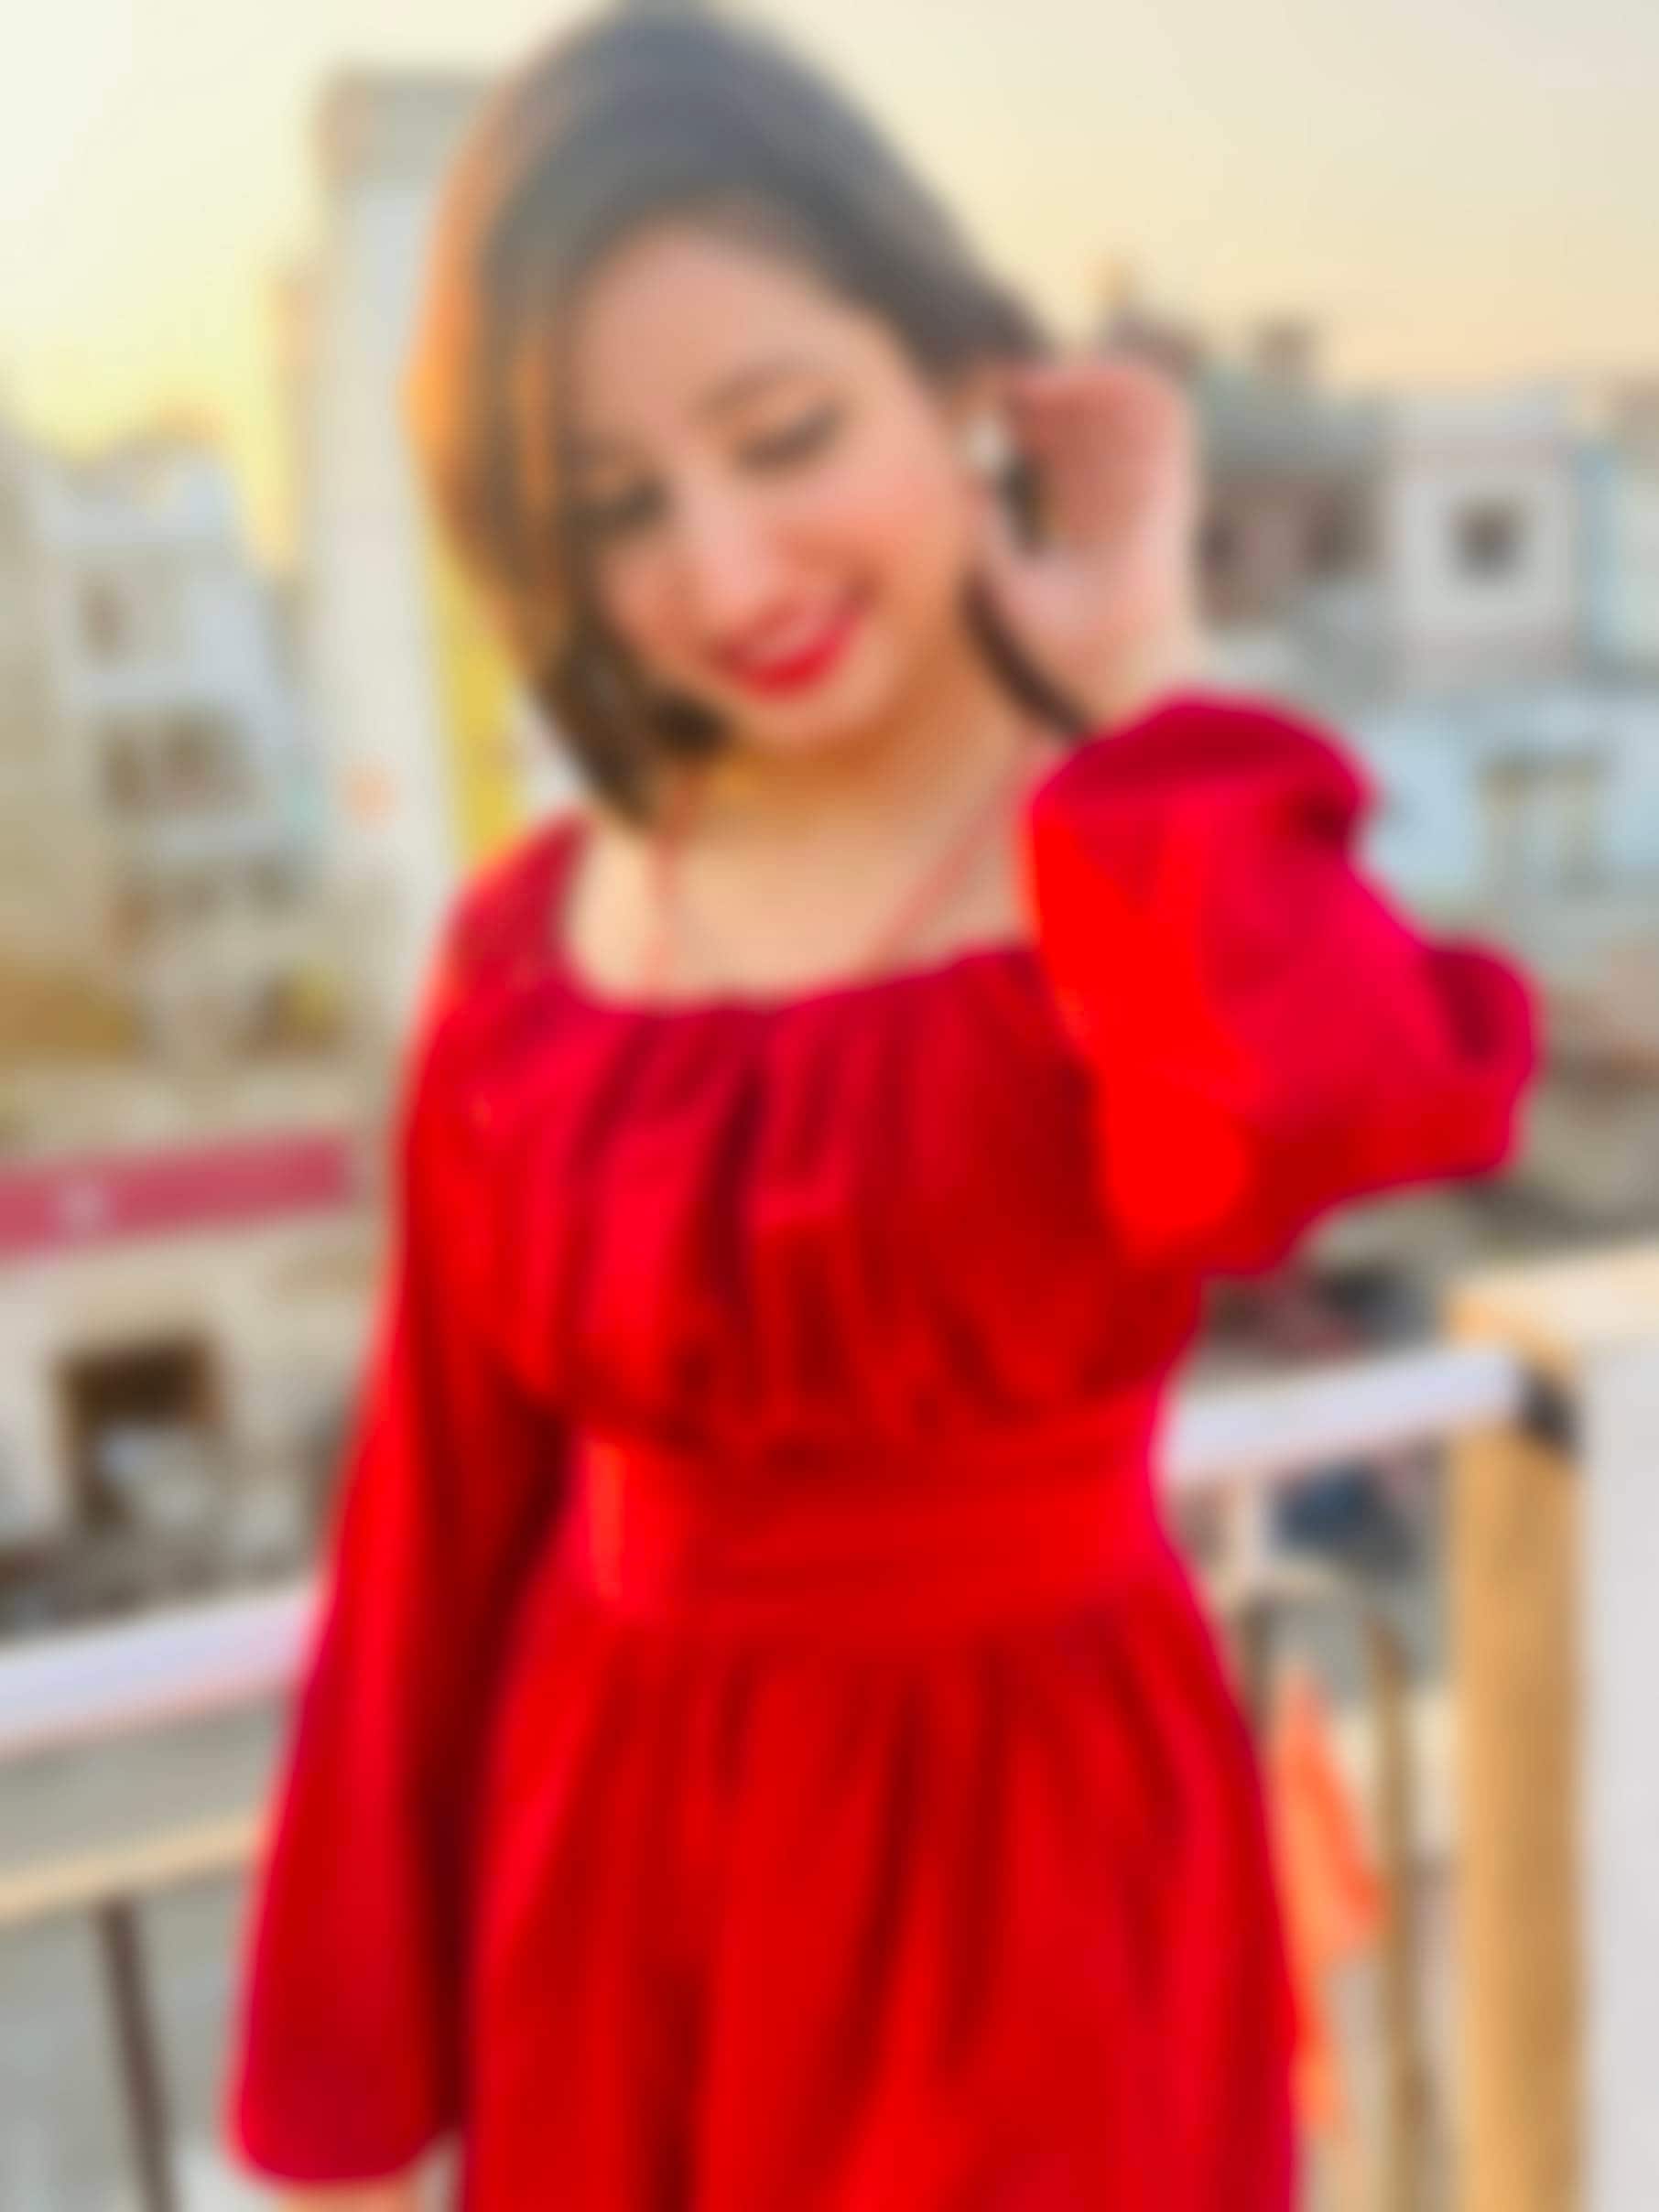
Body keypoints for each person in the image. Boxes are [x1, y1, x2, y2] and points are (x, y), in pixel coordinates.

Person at [220, 13, 1537, 2208]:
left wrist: (1138, 676)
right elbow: (436, 1520)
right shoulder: (536, 941)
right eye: (620, 507)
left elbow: (1331, 1120)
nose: (730, 575)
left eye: (786, 433)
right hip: (607, 1877)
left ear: (958, 372)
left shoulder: (1127, 850)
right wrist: (350, 2085)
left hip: (1031, 1884)